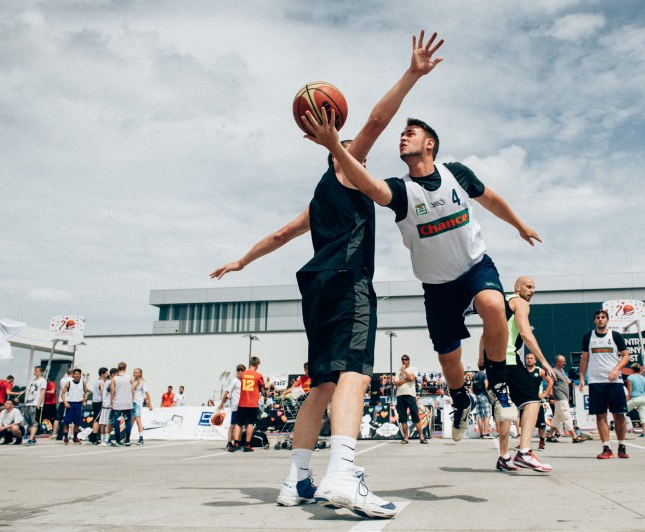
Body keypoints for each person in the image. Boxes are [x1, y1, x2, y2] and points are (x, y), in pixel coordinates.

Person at [212, 30, 444, 519]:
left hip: (315, 290)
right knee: (355, 373)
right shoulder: (345, 168)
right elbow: (377, 120)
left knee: (321, 385)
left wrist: (242, 262)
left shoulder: (319, 196)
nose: (365, 154)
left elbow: (280, 235)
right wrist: (412, 74)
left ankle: (296, 479)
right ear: (342, 148)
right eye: (356, 150)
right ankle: (342, 472)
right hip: (346, 281)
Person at [304, 97, 542, 448]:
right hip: (437, 286)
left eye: (410, 133)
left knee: (494, 304)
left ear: (429, 143)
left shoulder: (456, 173)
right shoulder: (401, 190)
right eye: (401, 134)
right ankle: (461, 400)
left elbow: (490, 199)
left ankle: (499, 386)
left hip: (474, 267)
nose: (402, 137)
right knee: (449, 359)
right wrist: (335, 147)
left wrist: (519, 225)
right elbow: (368, 186)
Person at [480, 277, 553, 472]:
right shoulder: (520, 302)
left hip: (493, 361)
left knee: (506, 408)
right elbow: (525, 332)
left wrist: (481, 357)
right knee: (532, 401)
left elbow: (486, 332)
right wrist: (544, 360)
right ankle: (524, 452)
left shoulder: (501, 304)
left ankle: (504, 457)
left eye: (534, 288)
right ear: (517, 287)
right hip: (509, 360)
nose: (532, 290)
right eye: (528, 287)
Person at [579, 309, 631, 460]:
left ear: (607, 320)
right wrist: (582, 377)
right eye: (598, 317)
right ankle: (606, 448)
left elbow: (626, 356)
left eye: (603, 317)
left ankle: (622, 446)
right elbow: (584, 358)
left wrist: (616, 370)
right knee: (600, 415)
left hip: (614, 381)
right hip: (596, 381)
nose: (600, 319)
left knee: (619, 415)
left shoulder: (615, 335)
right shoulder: (588, 336)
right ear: (594, 320)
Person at [547, 355, 584, 443]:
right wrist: (551, 396)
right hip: (560, 397)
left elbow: (567, 381)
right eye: (563, 362)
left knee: (557, 417)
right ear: (558, 362)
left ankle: (550, 435)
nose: (565, 363)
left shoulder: (562, 371)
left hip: (564, 397)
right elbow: (550, 383)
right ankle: (574, 436)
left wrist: (572, 382)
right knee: (567, 416)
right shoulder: (553, 371)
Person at [394, 354, 427, 444]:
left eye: (406, 359)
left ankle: (421, 437)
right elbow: (396, 383)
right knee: (403, 417)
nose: (404, 361)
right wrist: (405, 379)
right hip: (400, 395)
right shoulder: (398, 371)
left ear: (409, 360)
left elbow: (412, 378)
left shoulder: (413, 369)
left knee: (415, 415)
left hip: (410, 395)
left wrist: (404, 371)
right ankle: (406, 437)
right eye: (403, 359)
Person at [524, 352, 553, 450]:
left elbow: (550, 381)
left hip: (537, 400)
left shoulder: (539, 371)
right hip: (526, 400)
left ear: (535, 360)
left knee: (541, 424)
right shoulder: (523, 371)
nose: (529, 360)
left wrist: (545, 393)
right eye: (527, 358)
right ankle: (523, 443)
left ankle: (541, 442)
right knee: (525, 423)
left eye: (531, 358)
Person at [236, 356, 264, 452]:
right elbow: (262, 389)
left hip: (242, 402)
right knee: (250, 423)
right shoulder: (258, 375)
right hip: (252, 403)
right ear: (257, 365)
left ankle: (236, 443)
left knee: (239, 423)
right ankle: (247, 445)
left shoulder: (243, 374)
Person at [219, 364, 246, 452]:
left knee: (241, 425)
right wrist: (221, 403)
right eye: (239, 370)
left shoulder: (244, 381)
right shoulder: (234, 381)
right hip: (235, 407)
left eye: (242, 371)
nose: (240, 372)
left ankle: (238, 442)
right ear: (237, 372)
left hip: (243, 406)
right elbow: (227, 393)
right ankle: (229, 442)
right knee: (233, 425)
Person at [61, 368, 88, 445]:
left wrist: (85, 398)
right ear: (73, 375)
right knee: (66, 422)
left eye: (78, 374)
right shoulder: (68, 383)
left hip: (78, 404)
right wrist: (65, 402)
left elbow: (86, 391)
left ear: (80, 375)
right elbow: (62, 394)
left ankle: (75, 437)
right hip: (70, 404)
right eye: (75, 374)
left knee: (77, 422)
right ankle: (66, 437)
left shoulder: (82, 383)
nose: (77, 375)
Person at [625, 363, 645, 437]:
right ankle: (644, 432)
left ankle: (623, 429)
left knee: (622, 411)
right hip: (643, 398)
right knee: (643, 416)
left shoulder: (630, 377)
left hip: (635, 398)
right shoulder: (643, 377)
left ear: (632, 369)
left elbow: (630, 390)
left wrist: (628, 399)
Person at [22, 366, 47, 446]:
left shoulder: (43, 381)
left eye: (36, 371)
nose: (34, 372)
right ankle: (32, 437)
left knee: (34, 422)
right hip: (28, 403)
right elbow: (28, 391)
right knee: (29, 422)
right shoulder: (32, 381)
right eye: (34, 370)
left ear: (41, 372)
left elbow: (42, 392)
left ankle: (30, 439)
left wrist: (39, 403)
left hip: (35, 403)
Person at [110, 362, 133, 446]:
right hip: (127, 402)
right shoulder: (130, 378)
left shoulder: (114, 379)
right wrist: (131, 400)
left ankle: (117, 440)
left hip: (118, 403)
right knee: (127, 421)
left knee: (117, 421)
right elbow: (133, 390)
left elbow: (112, 392)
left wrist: (111, 402)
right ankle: (127, 440)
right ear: (125, 368)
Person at [132, 368, 153, 445]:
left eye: (136, 372)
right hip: (131, 403)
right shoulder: (132, 381)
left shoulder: (142, 383)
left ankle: (141, 437)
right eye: (134, 372)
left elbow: (147, 394)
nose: (134, 374)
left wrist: (150, 404)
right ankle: (126, 437)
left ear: (140, 374)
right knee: (130, 421)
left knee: (138, 420)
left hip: (138, 404)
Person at [471, 363, 492, 439]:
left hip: (477, 396)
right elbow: (486, 386)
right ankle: (486, 432)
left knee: (479, 415)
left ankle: (480, 433)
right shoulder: (484, 375)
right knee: (487, 414)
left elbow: (471, 388)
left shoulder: (474, 376)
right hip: (484, 395)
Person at [88, 367, 108, 444]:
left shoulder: (97, 381)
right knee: (97, 419)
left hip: (95, 402)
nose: (107, 374)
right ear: (102, 374)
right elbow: (102, 392)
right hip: (99, 402)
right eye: (106, 373)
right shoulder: (101, 382)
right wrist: (104, 399)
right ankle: (93, 436)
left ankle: (93, 435)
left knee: (97, 419)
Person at [54, 368, 73, 441]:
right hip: (69, 400)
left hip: (62, 400)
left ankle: (54, 433)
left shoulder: (62, 379)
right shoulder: (72, 380)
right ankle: (71, 434)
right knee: (70, 418)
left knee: (58, 418)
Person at [99, 368, 116, 446]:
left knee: (104, 423)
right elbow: (112, 392)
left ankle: (103, 440)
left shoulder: (106, 382)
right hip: (108, 405)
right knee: (108, 423)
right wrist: (112, 403)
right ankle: (105, 440)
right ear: (113, 374)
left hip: (105, 404)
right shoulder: (110, 382)